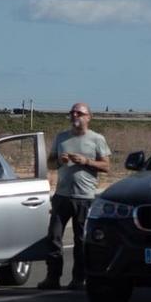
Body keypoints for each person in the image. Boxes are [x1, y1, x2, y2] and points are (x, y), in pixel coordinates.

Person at [40, 102, 111, 290]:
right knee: (54, 237)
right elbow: (50, 164)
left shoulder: (97, 139)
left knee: (81, 241)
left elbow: (106, 166)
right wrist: (59, 161)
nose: (75, 116)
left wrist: (86, 161)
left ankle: (78, 279)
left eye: (79, 113)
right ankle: (52, 277)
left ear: (88, 117)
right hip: (62, 195)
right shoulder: (61, 137)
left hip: (85, 197)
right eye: (72, 112)